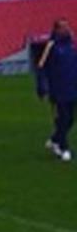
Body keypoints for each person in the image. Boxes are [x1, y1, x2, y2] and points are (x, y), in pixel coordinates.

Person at [36, 18, 77, 162]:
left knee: (70, 119)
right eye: (63, 27)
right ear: (57, 29)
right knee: (63, 117)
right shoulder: (51, 46)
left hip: (72, 88)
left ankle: (55, 139)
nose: (67, 29)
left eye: (67, 26)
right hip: (58, 89)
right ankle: (63, 148)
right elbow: (41, 66)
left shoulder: (72, 45)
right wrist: (41, 86)